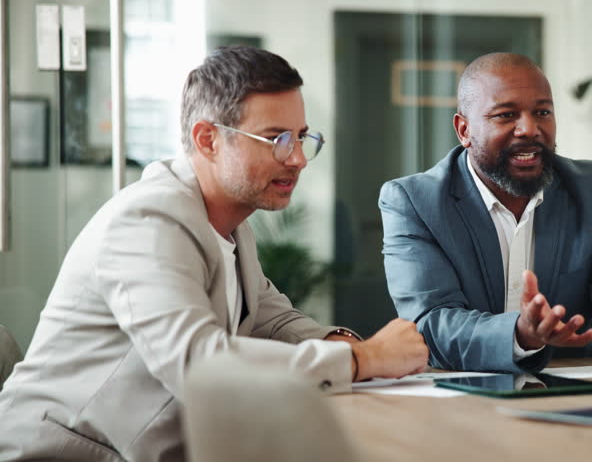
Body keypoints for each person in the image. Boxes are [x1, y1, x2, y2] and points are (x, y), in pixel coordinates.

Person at [0, 46, 428, 461]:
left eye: (300, 137)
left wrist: (351, 346)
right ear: (208, 140)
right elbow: (195, 363)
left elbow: (272, 318)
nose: (297, 158)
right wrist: (362, 359)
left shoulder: (228, 222)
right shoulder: (146, 221)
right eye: (274, 138)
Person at [379, 52, 592, 373]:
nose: (529, 129)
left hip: (572, 404)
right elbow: (431, 323)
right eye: (505, 115)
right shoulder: (413, 202)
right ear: (464, 130)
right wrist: (519, 334)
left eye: (542, 113)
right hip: (457, 402)